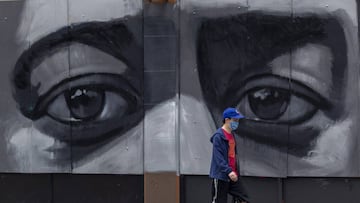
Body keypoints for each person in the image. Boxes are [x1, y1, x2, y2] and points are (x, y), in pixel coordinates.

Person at [210, 107, 249, 203]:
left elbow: (233, 155)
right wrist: (228, 171)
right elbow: (218, 158)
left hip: (233, 175)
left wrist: (235, 171)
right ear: (227, 120)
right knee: (219, 200)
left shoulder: (231, 135)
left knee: (243, 197)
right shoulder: (218, 137)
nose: (237, 123)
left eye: (238, 120)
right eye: (235, 120)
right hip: (221, 176)